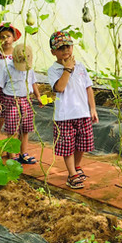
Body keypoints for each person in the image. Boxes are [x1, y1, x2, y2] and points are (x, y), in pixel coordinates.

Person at [47, 31, 98, 189]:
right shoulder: (53, 70)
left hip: (82, 113)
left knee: (82, 144)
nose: (65, 50)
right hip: (64, 116)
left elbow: (88, 88)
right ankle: (72, 174)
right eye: (61, 48)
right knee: (67, 146)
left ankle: (76, 166)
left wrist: (93, 109)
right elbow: (60, 88)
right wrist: (67, 69)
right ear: (53, 52)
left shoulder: (81, 67)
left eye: (68, 46)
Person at [0, 42, 43, 164]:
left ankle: (23, 153)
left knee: (25, 129)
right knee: (12, 130)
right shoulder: (7, 68)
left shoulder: (29, 69)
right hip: (11, 100)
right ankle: (12, 154)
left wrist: (38, 96)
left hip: (26, 100)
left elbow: (33, 83)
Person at [0, 24, 21, 138]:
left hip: (14, 92)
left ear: (13, 37)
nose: (5, 39)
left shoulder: (18, 53)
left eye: (8, 36)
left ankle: (11, 147)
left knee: (13, 121)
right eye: (2, 37)